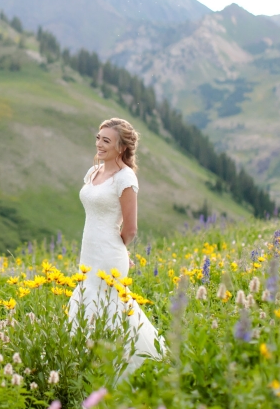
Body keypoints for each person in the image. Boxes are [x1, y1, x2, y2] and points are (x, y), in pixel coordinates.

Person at [67, 118, 165, 374]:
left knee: (110, 309)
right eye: (98, 138)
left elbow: (130, 229)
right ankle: (85, 369)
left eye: (106, 141)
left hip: (109, 256)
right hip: (88, 254)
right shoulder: (94, 172)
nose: (99, 144)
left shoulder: (126, 178)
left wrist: (118, 252)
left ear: (121, 147)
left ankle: (123, 369)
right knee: (86, 306)